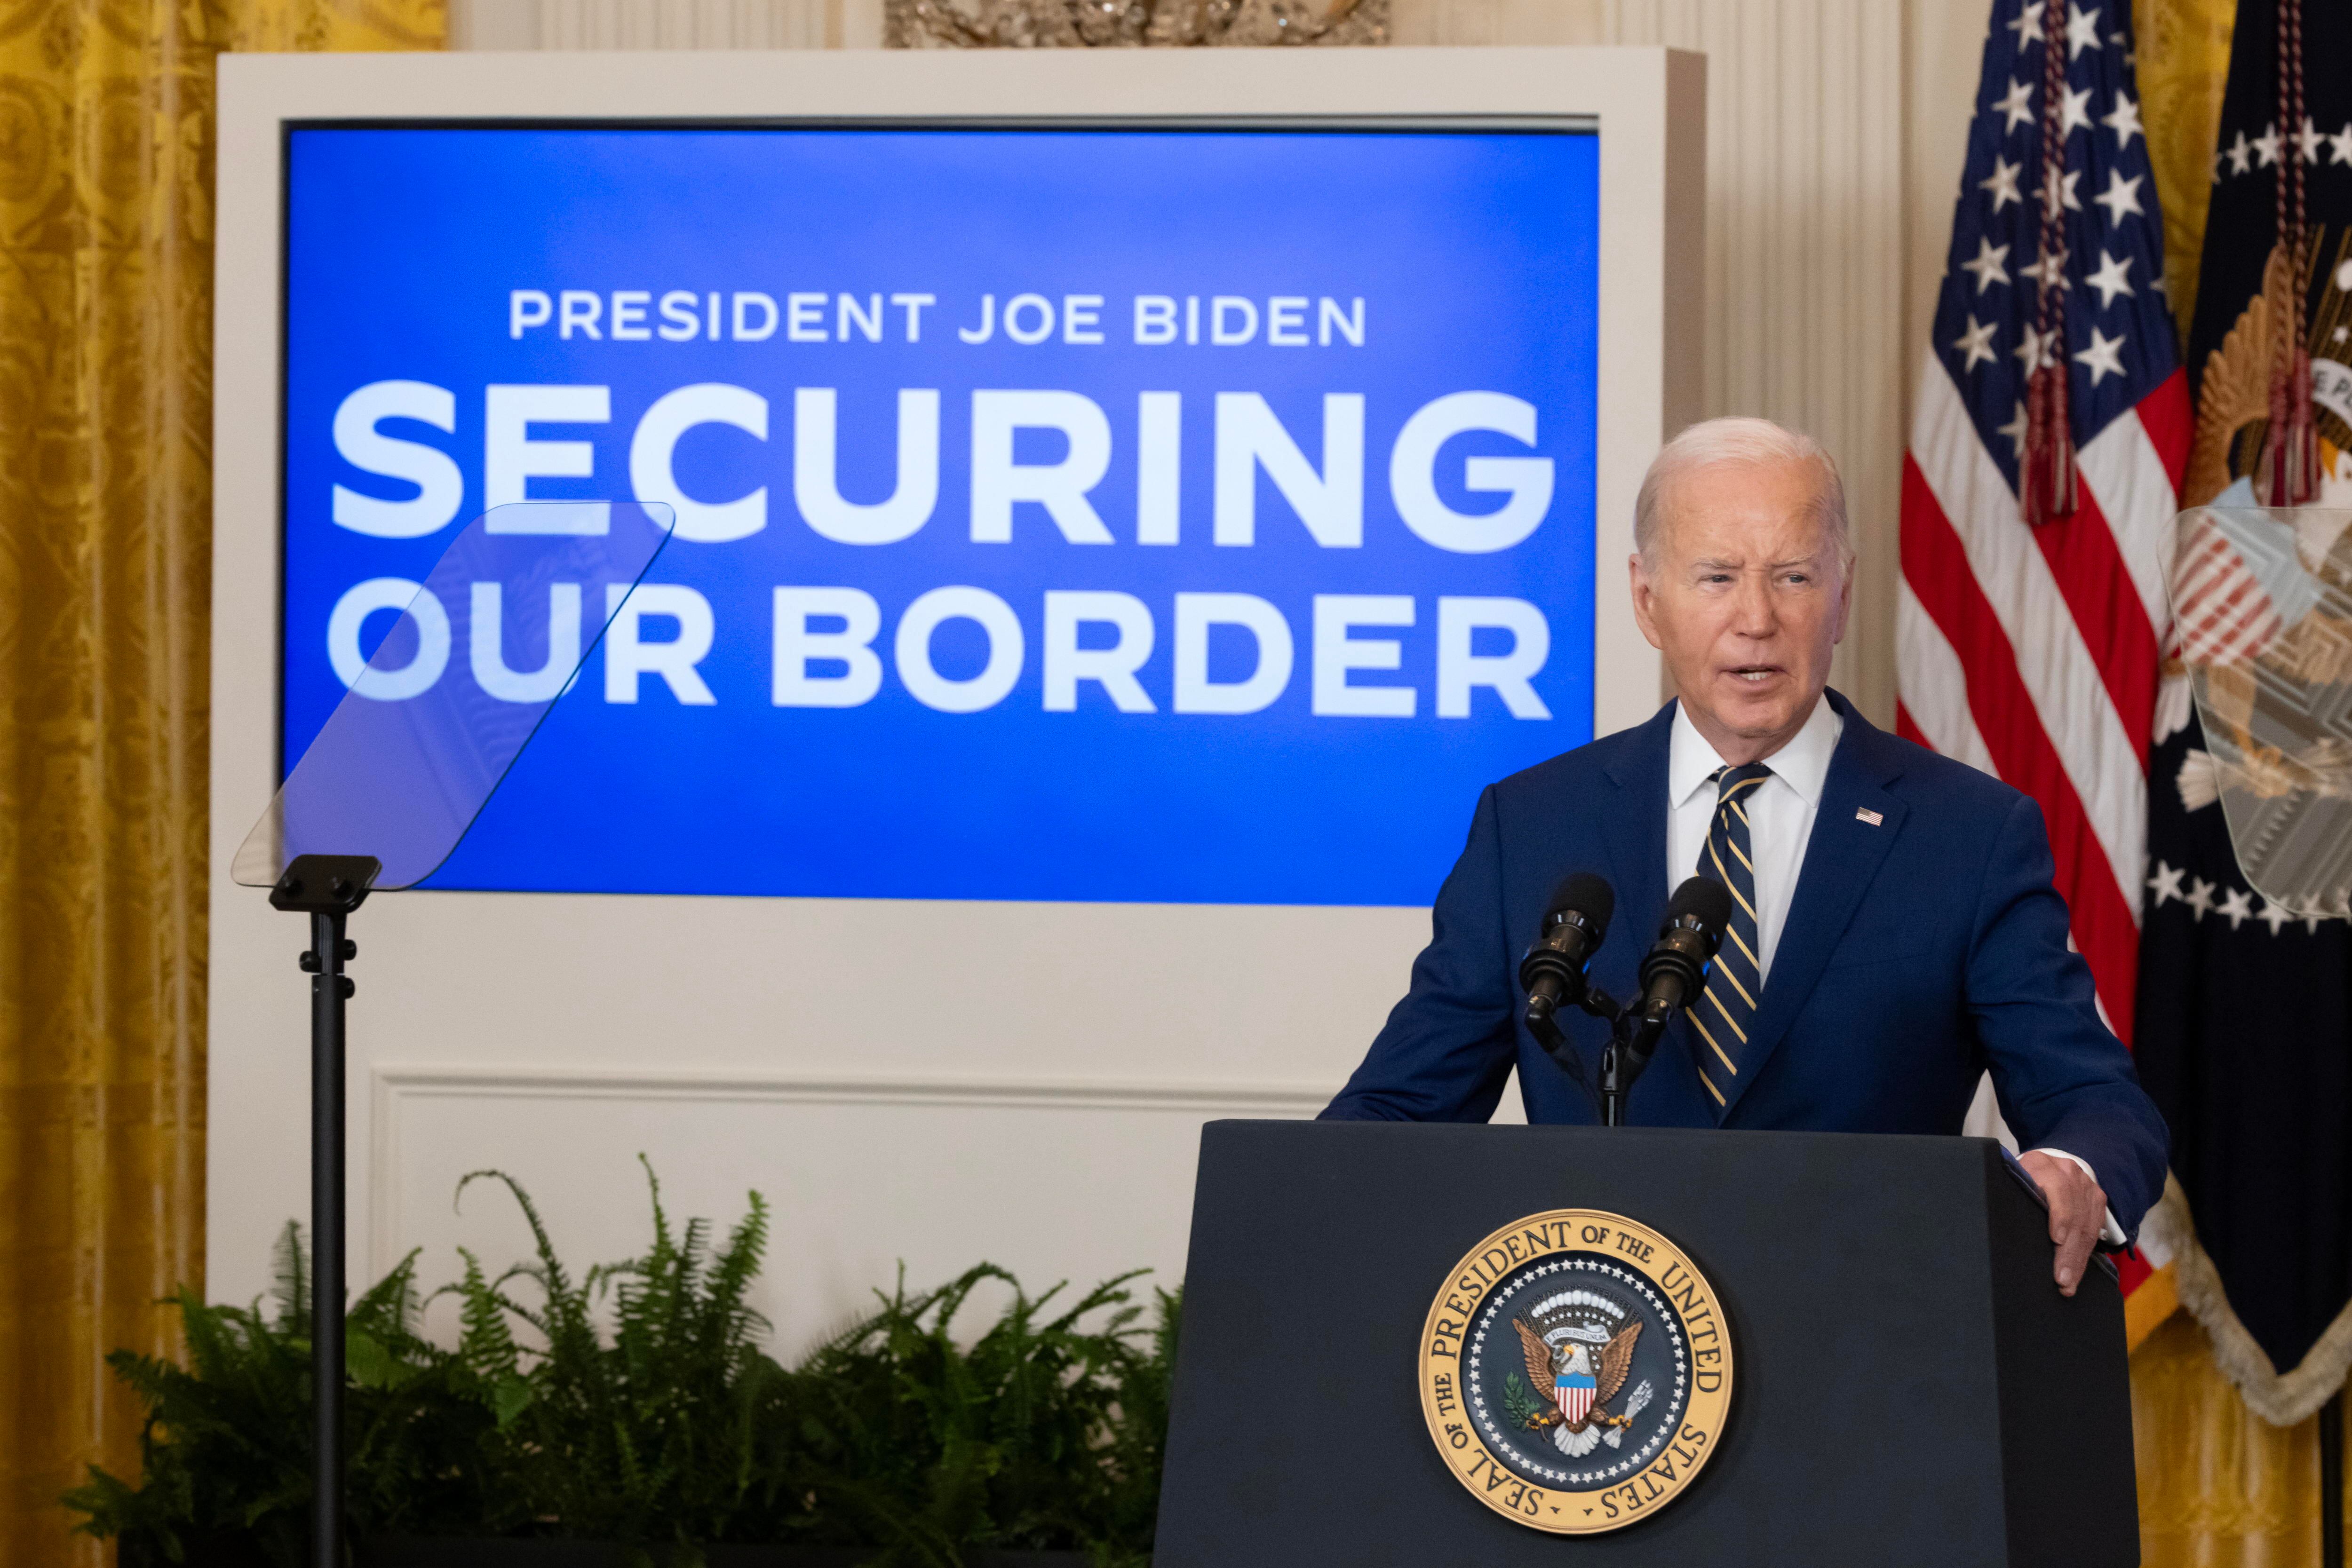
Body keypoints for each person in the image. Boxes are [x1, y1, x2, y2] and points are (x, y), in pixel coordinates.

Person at [1321, 417, 2168, 1297]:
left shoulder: (1969, 833)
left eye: (1793, 576)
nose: (1756, 620)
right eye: (1717, 577)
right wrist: (1293, 1194)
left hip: (1873, 1350)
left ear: (1843, 593)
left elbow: (2097, 1102)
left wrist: (2074, 1167)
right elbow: (1399, 1109)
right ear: (1648, 601)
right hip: (1602, 1366)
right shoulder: (1530, 825)